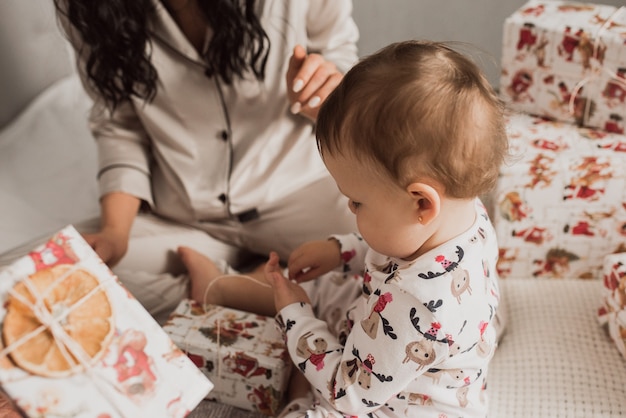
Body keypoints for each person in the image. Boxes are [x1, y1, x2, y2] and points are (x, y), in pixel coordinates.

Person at [179, 40, 509, 417]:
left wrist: (295, 317)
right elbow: (394, 250)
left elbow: (346, 392)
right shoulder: (466, 212)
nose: (350, 209)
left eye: (357, 202)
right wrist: (342, 251)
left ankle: (297, 386)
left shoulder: (421, 303)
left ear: (421, 203)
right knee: (332, 285)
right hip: (381, 336)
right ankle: (222, 288)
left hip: (377, 401)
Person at [51, 0, 359, 323]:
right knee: (42, 278)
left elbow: (342, 68)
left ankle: (231, 293)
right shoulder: (91, 9)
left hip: (302, 192)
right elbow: (120, 124)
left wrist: (324, 97)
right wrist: (115, 231)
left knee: (406, 267)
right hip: (187, 219)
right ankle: (248, 293)